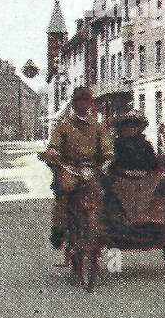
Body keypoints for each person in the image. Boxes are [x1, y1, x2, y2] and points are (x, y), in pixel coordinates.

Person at [41, 87, 113, 249]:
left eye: (85, 100)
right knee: (64, 191)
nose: (81, 104)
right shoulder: (63, 126)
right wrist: (53, 153)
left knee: (103, 193)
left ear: (90, 104)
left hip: (92, 169)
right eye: (78, 101)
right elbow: (54, 145)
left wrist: (106, 162)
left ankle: (102, 230)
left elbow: (107, 149)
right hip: (70, 168)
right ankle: (58, 229)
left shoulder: (97, 127)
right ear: (72, 104)